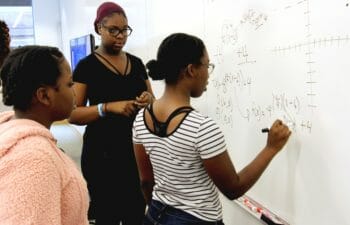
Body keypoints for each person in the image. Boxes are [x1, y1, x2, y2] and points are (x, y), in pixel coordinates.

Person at [132, 33, 292, 225]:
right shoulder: (202, 128)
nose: (208, 74)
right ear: (191, 70)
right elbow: (233, 188)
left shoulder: (141, 118)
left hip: (155, 215)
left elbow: (146, 182)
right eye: (207, 66)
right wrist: (271, 148)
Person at [68, 2, 154, 225]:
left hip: (135, 153)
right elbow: (72, 114)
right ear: (99, 28)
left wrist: (147, 100)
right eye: (113, 30)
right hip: (102, 157)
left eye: (124, 30)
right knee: (107, 215)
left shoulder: (136, 64)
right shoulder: (87, 66)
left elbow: (152, 100)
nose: (121, 36)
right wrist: (105, 107)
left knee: (136, 213)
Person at [0, 45, 89, 225]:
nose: (74, 92)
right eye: (69, 84)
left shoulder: (18, 135)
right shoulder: (33, 158)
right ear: (44, 95)